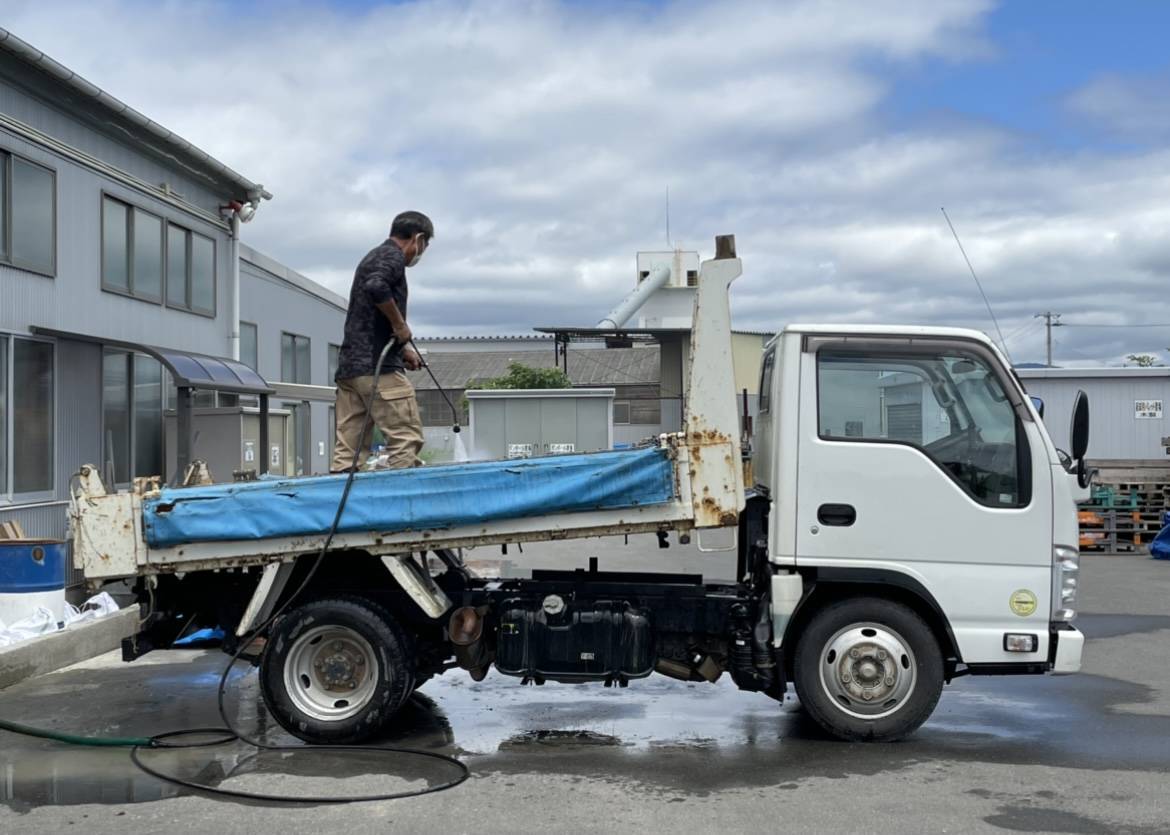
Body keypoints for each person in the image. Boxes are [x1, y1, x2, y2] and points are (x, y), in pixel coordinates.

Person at [331, 211, 433, 472]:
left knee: (349, 451)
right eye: (425, 245)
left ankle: (339, 502)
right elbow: (377, 286)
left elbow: (370, 313)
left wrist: (403, 349)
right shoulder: (392, 256)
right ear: (418, 238)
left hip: (351, 371)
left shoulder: (372, 257)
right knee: (405, 439)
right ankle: (402, 503)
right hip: (379, 368)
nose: (421, 252)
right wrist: (400, 325)